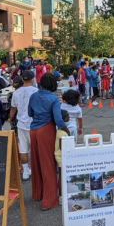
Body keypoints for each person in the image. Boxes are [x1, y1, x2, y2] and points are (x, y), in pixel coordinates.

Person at [28, 74, 69, 210]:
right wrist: (66, 130)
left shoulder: (33, 95)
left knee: (36, 163)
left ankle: (38, 194)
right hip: (46, 130)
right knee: (48, 165)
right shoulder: (53, 99)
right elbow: (58, 119)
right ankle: (49, 200)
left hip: (33, 130)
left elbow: (30, 114)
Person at [9, 72, 38, 181]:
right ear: (33, 79)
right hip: (34, 124)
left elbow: (13, 109)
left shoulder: (16, 93)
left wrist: (10, 119)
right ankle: (36, 169)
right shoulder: (36, 92)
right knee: (36, 149)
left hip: (21, 124)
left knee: (23, 149)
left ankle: (25, 171)